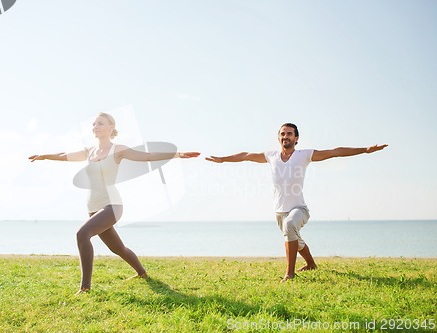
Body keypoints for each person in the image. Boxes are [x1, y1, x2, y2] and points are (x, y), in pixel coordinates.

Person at [29, 112, 200, 294]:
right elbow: (64, 155)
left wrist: (177, 154)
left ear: (111, 127)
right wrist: (44, 156)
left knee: (82, 234)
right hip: (92, 208)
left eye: (100, 123)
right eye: (94, 123)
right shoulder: (90, 151)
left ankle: (85, 288)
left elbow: (148, 156)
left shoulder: (118, 150)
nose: (95, 126)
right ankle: (142, 273)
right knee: (118, 248)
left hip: (112, 205)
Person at [206, 123, 387, 282]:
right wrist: (223, 159)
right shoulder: (271, 156)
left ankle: (289, 273)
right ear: (279, 138)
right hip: (279, 211)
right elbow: (245, 155)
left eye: (290, 134)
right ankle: (311, 264)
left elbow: (336, 152)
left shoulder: (304, 155)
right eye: (283, 134)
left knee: (291, 225)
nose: (286, 137)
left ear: (296, 138)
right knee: (295, 240)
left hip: (299, 208)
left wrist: (365, 150)